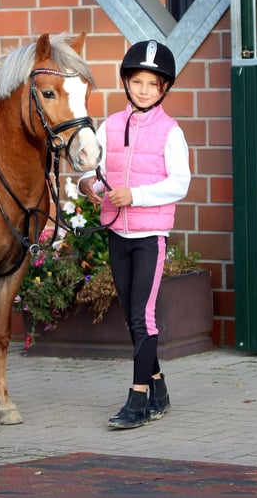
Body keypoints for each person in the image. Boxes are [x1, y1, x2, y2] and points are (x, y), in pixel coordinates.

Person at [78, 40, 191, 429]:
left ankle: (138, 399)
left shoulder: (170, 132)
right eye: (137, 81)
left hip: (149, 235)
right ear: (126, 82)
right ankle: (158, 387)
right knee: (131, 317)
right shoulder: (108, 125)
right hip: (117, 232)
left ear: (164, 89)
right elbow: (94, 170)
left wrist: (137, 195)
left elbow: (181, 183)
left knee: (143, 317)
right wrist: (88, 186)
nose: (143, 89)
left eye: (152, 84)